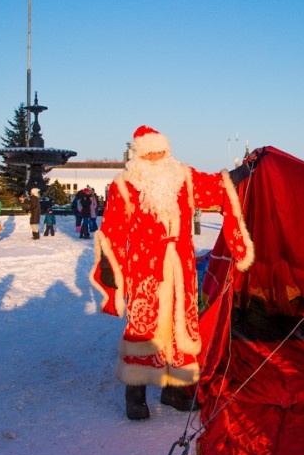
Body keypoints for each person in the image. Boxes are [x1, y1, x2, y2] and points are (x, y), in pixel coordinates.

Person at [90, 125, 255, 420]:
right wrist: (108, 264)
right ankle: (135, 394)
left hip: (181, 268)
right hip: (145, 270)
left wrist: (243, 171)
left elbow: (216, 185)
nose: (156, 157)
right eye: (150, 152)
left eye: (160, 151)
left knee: (181, 328)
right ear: (139, 154)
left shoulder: (183, 177)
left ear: (167, 152)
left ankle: (175, 390)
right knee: (143, 327)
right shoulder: (124, 185)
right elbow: (112, 228)